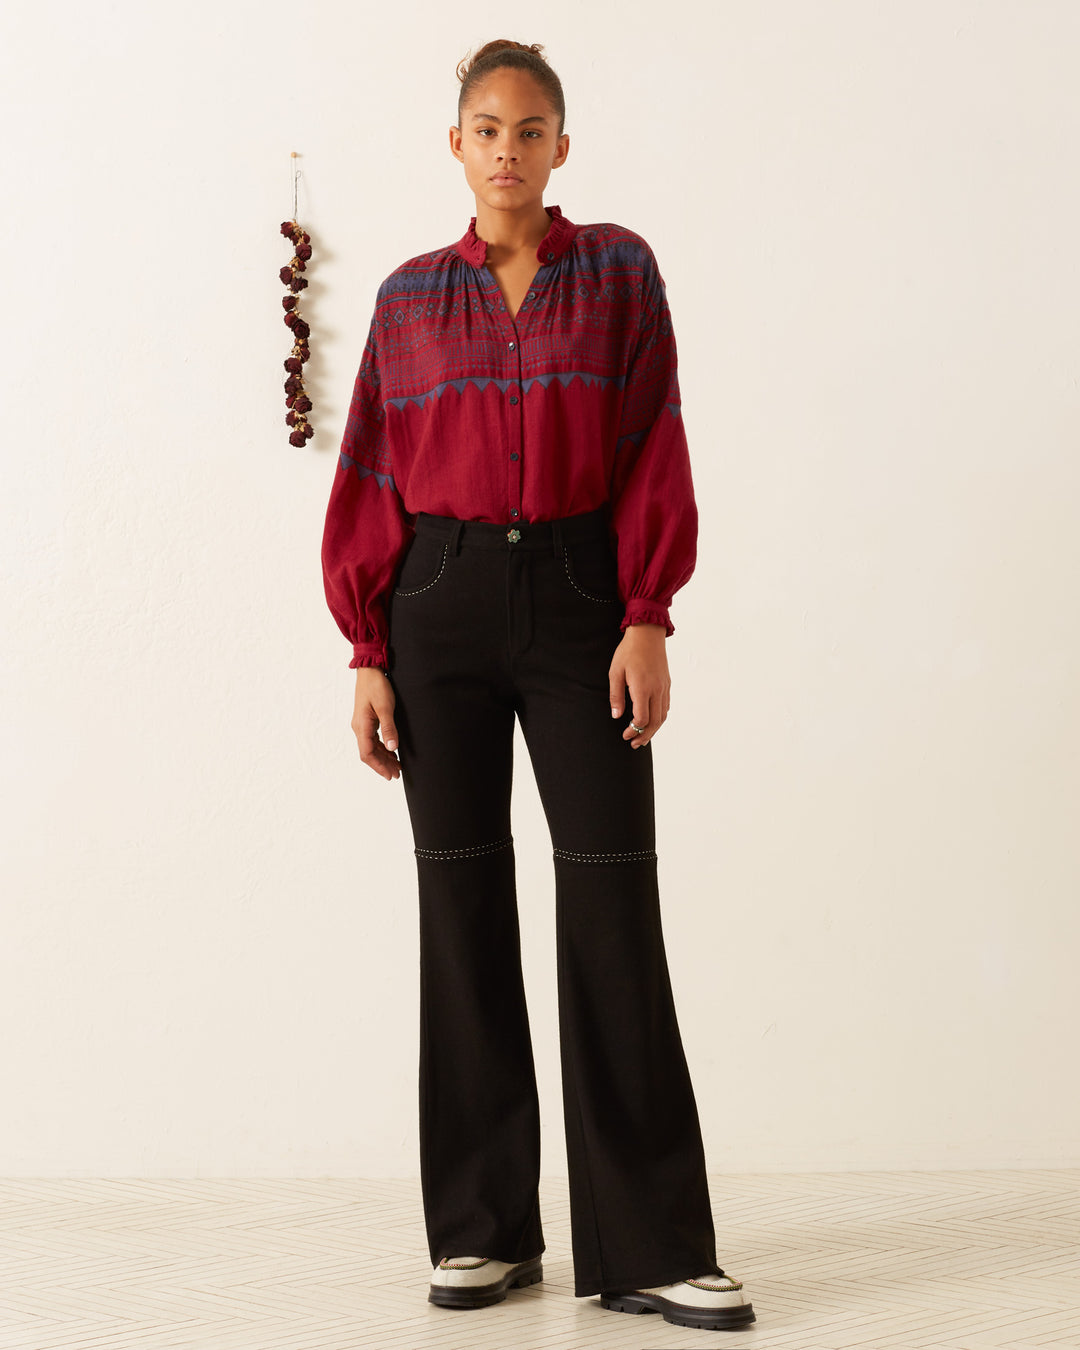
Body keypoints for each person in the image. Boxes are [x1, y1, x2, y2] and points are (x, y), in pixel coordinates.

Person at [320, 38, 755, 1334]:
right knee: (459, 907)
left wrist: (645, 614)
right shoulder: (406, 300)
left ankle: (652, 1246)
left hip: (579, 602)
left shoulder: (617, 270)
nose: (508, 148)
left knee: (612, 901)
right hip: (435, 606)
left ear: (563, 147)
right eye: (486, 127)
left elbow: (652, 439)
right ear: (455, 146)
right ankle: (483, 1229)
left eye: (533, 127)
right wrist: (365, 650)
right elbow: (370, 474)